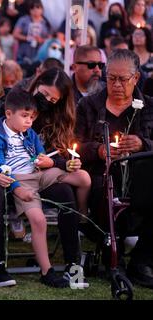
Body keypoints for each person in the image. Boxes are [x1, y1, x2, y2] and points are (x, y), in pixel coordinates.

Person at [75, 49, 153, 288]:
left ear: (136, 78)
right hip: (100, 176)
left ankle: (141, 260)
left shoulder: (148, 106)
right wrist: (99, 150)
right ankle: (113, 259)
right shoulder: (89, 106)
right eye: (111, 78)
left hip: (141, 176)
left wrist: (143, 144)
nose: (116, 84)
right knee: (104, 191)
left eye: (123, 79)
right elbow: (74, 144)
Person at [0, 87, 72, 288]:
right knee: (38, 219)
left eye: (32, 117)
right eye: (25, 116)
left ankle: (83, 211)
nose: (29, 121)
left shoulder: (28, 132)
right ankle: (46, 270)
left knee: (80, 177)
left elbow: (38, 153)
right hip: (21, 180)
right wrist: (16, 187)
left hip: (38, 174)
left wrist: (44, 159)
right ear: (8, 113)